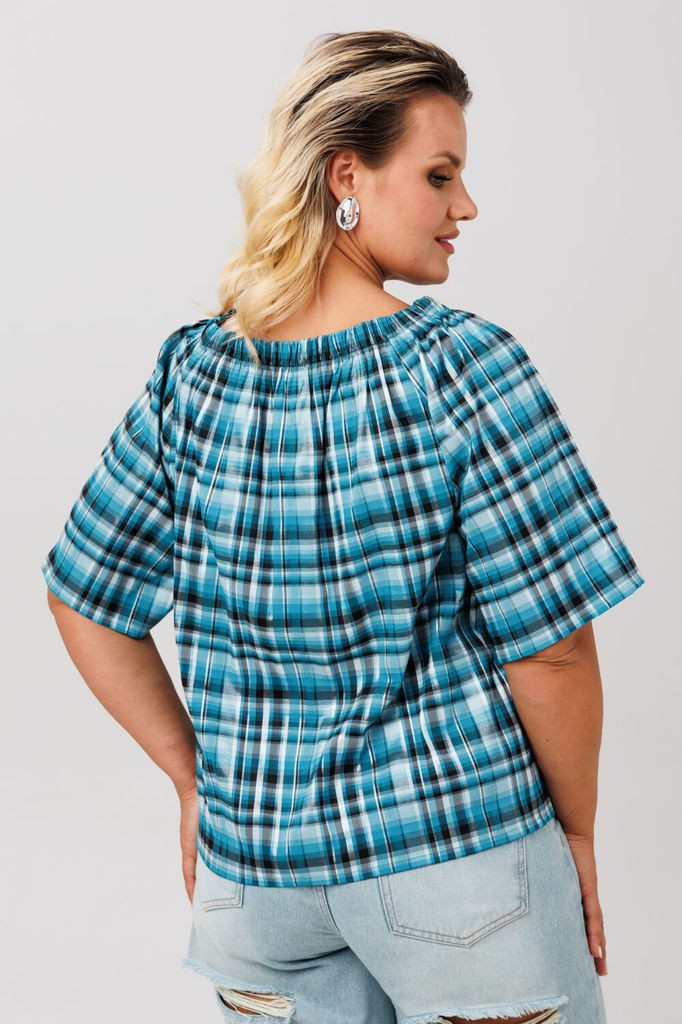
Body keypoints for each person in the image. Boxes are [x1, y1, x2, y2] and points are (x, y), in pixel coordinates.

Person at [41, 29, 645, 1024]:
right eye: (440, 175)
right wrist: (575, 831)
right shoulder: (459, 367)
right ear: (345, 176)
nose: (465, 206)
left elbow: (84, 598)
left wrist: (196, 785)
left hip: (254, 883)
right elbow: (553, 649)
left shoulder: (194, 374)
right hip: (456, 860)